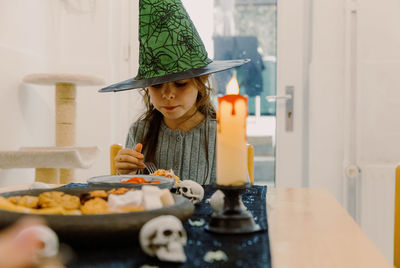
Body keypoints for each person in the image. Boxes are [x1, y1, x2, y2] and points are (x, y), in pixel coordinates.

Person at [99, 0, 249, 184]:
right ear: (146, 88)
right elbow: (128, 196)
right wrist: (123, 173)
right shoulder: (140, 131)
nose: (168, 94)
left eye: (180, 84)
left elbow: (242, 195)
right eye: (156, 86)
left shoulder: (221, 133)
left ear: (200, 82)